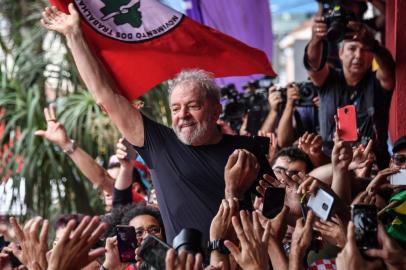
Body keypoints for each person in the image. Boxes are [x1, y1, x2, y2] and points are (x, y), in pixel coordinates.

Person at [41, 4, 271, 244]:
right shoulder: (158, 144)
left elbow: (275, 218)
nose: (183, 114)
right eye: (175, 108)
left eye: (193, 106)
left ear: (216, 110)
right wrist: (74, 36)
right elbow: (106, 96)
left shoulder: (247, 151)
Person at [304, 8, 396, 169]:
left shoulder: (377, 81)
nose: (359, 56)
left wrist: (373, 46)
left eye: (364, 50)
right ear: (340, 53)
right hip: (331, 164)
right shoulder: (329, 79)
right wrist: (316, 40)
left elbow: (389, 70)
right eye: (352, 49)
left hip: (373, 164)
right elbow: (313, 63)